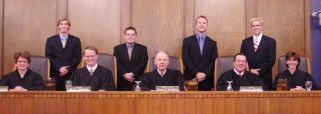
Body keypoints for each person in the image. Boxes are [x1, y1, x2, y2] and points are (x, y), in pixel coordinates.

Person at [182, 15, 218, 91]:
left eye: (204, 23)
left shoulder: (212, 43)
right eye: (199, 22)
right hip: (191, 78)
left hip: (206, 79)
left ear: (207, 25)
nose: (202, 24)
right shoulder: (187, 41)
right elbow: (186, 59)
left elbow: (214, 61)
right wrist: (196, 73)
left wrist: (205, 74)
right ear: (196, 25)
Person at [45, 18, 82, 91]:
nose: (63, 26)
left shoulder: (76, 40)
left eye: (66, 24)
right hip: (55, 73)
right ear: (58, 26)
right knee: (56, 98)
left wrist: (67, 69)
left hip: (71, 73)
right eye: (61, 24)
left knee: (70, 98)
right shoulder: (50, 40)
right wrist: (59, 68)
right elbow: (48, 56)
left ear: (69, 26)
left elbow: (77, 57)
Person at [240, 18, 276, 90]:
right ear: (251, 28)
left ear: (262, 27)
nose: (255, 27)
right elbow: (242, 59)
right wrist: (250, 70)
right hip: (248, 77)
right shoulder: (245, 42)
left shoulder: (271, 41)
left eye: (257, 25)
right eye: (253, 26)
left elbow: (271, 60)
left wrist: (260, 71)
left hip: (264, 78)